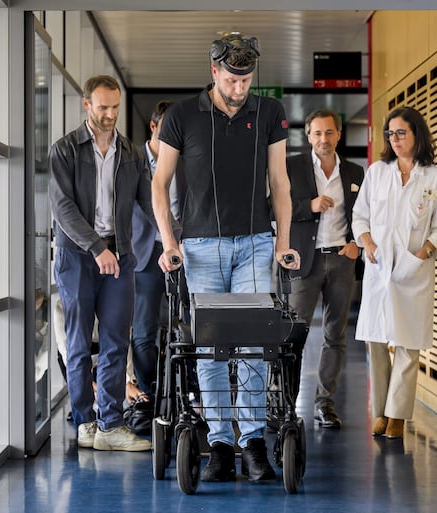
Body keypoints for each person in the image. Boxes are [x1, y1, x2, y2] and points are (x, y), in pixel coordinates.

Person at [152, 33, 300, 482]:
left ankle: (253, 441)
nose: (241, 88)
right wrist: (169, 244)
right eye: (233, 79)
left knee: (255, 341)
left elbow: (280, 182)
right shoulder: (180, 117)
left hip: (255, 242)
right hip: (198, 248)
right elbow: (160, 184)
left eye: (247, 79)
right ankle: (218, 443)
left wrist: (284, 242)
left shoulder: (269, 113)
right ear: (214, 72)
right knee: (211, 348)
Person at [49, 74, 152, 452]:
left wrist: (174, 240)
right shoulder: (65, 150)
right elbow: (62, 208)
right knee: (77, 343)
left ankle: (110, 423)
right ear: (86, 104)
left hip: (120, 255)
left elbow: (148, 202)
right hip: (78, 256)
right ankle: (85, 421)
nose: (109, 114)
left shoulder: (129, 152)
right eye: (102, 107)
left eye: (114, 107)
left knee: (115, 341)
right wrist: (96, 248)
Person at [351, 106, 437, 440]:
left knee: (407, 343)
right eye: (390, 133)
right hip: (378, 269)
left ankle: (397, 416)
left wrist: (423, 253)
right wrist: (366, 242)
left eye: (401, 133)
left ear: (417, 134)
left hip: (413, 271)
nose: (394, 139)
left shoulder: (434, 177)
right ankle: (380, 410)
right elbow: (359, 216)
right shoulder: (377, 172)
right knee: (376, 340)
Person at [285, 109, 365, 429]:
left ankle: (324, 402)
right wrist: (309, 206)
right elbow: (272, 206)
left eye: (329, 133)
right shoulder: (293, 167)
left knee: (335, 336)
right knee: (294, 335)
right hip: (306, 259)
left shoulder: (356, 171)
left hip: (342, 261)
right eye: (317, 134)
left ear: (339, 134)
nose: (323, 139)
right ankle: (287, 404)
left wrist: (357, 243)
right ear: (308, 137)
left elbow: (367, 215)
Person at [130, 100, 177, 399]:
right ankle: (146, 394)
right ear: (153, 126)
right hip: (145, 256)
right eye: (167, 128)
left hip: (179, 255)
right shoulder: (132, 160)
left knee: (182, 327)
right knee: (145, 330)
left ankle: (179, 395)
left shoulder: (184, 160)